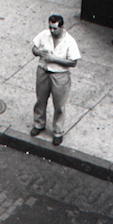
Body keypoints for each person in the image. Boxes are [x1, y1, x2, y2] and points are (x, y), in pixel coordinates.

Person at [30, 14, 80, 146]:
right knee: (40, 99)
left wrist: (54, 59)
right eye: (50, 27)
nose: (52, 31)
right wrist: (39, 52)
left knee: (59, 105)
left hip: (60, 75)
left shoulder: (69, 41)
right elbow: (34, 49)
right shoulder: (44, 35)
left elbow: (73, 62)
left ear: (62, 27)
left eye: (55, 28)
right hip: (43, 71)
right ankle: (39, 124)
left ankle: (58, 131)